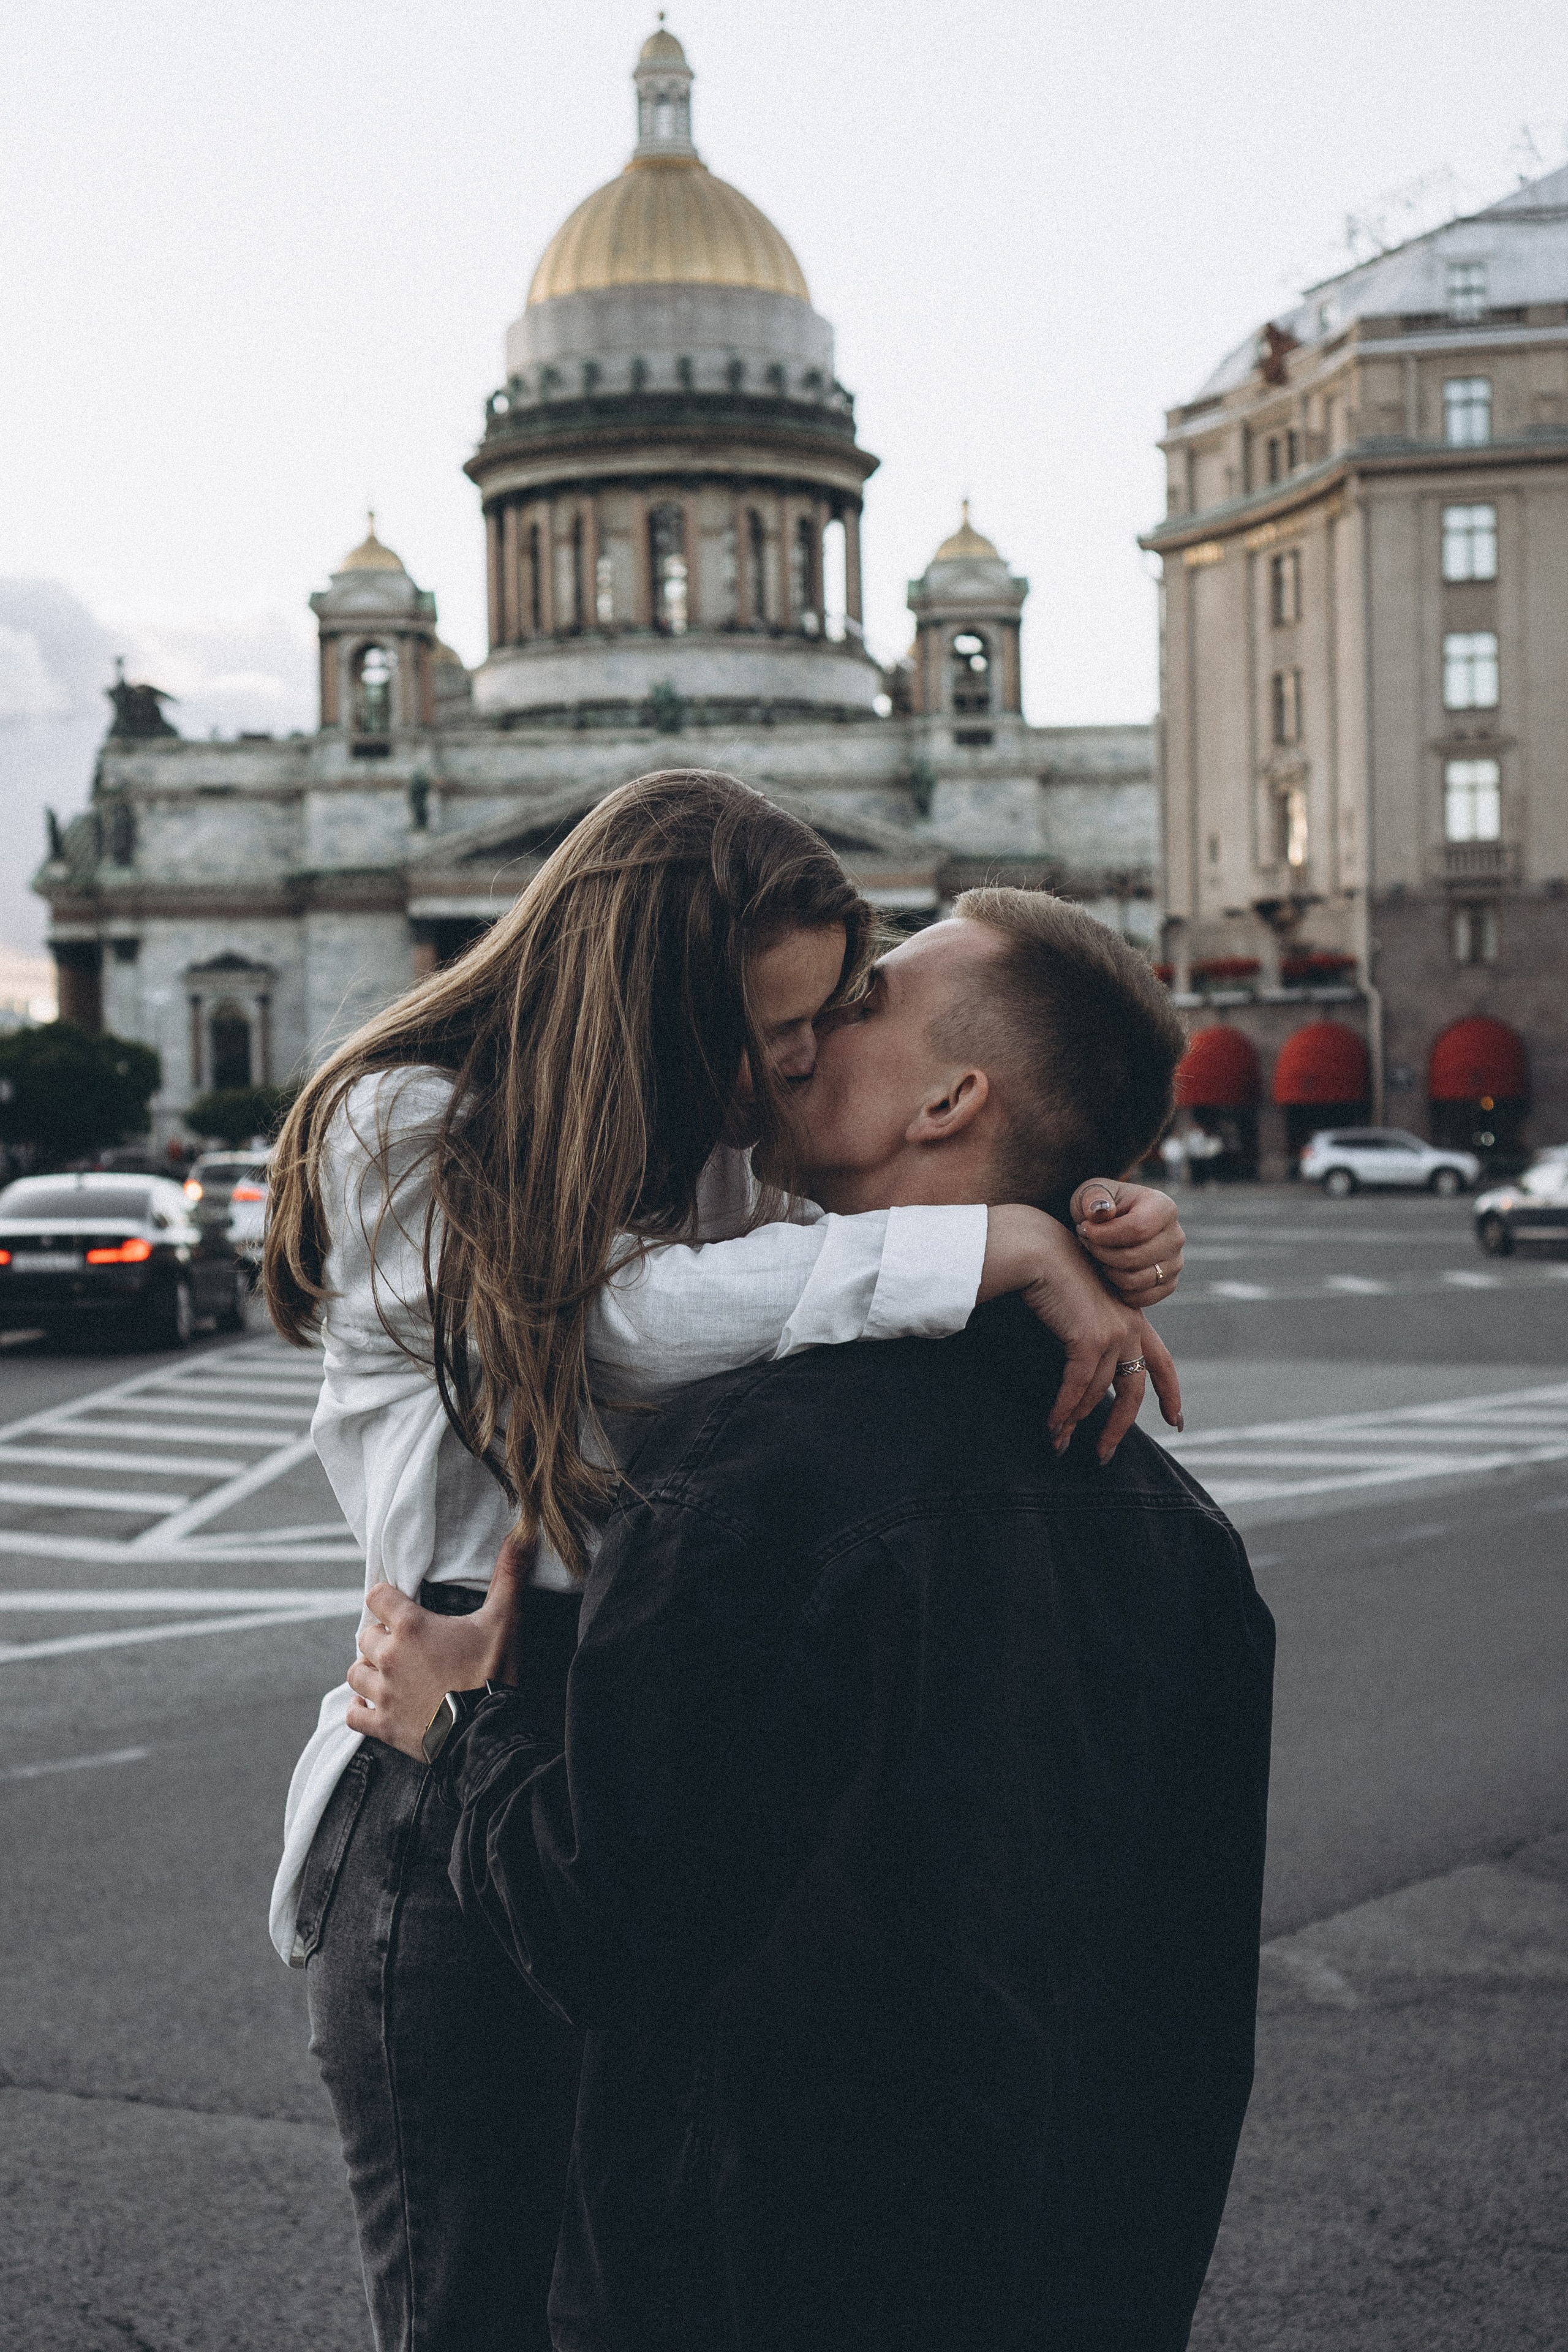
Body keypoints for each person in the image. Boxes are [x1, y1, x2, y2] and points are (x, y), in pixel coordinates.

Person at [263, 776, 1188, 2352]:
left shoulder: (718, 1141)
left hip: (640, 1732)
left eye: (830, 1017)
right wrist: (994, 1245)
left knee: (636, 2288)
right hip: (452, 1727)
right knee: (471, 2305)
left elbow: (860, 1218)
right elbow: (606, 1323)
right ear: (654, 1008)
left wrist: (1070, 1203)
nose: (802, 1061)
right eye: (776, 1032)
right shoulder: (402, 1118)